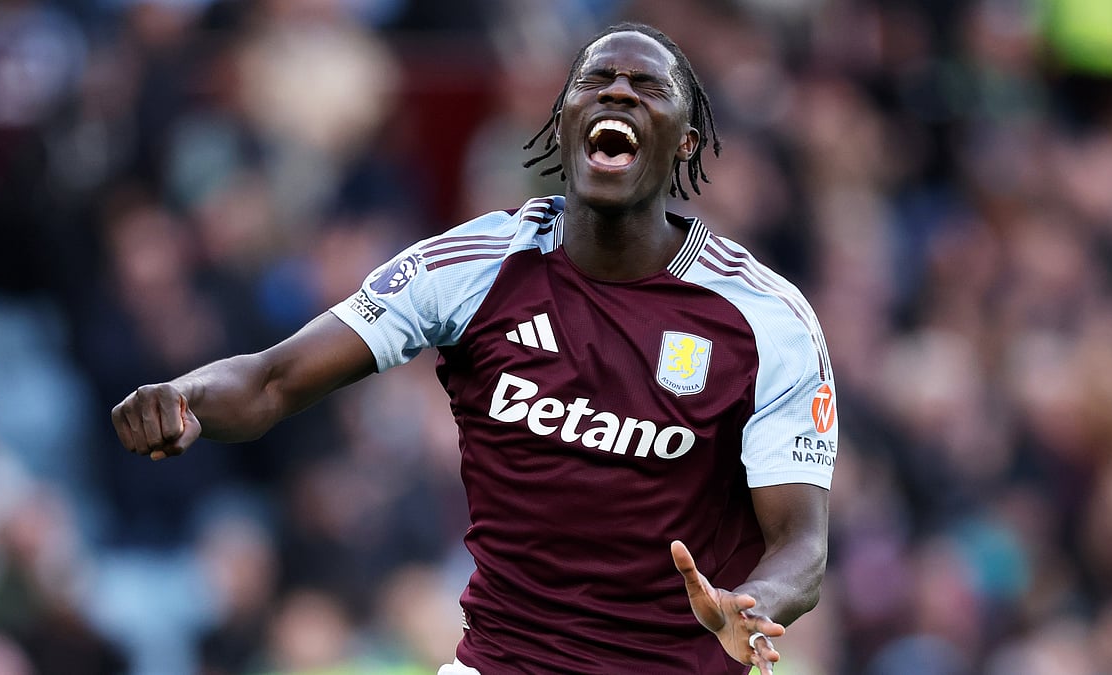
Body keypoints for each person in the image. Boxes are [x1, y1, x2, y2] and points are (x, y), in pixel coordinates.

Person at [112, 22, 837, 674]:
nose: (618, 92)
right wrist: (187, 397)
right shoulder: (474, 267)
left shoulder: (764, 319)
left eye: (648, 87)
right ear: (563, 123)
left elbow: (801, 541)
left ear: (685, 142)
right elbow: (272, 380)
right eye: (595, 80)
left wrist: (752, 603)